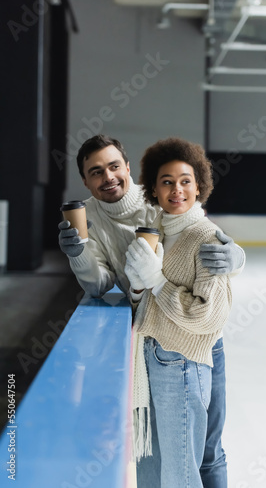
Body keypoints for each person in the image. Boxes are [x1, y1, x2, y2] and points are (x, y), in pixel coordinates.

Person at [125, 137, 233, 488]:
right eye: (167, 181)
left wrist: (156, 280)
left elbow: (207, 316)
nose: (177, 189)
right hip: (155, 355)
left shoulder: (206, 237)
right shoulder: (157, 230)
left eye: (185, 181)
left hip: (182, 361)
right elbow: (149, 303)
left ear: (199, 186)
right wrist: (138, 286)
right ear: (153, 190)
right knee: (159, 469)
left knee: (180, 474)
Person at [58, 135, 245, 298]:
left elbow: (201, 230)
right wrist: (78, 254)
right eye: (96, 172)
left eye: (114, 166)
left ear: (128, 168)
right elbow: (98, 287)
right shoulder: (87, 216)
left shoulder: (161, 198)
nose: (108, 177)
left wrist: (238, 258)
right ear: (85, 181)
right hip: (142, 314)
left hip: (183, 311)